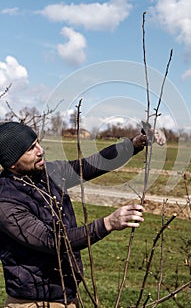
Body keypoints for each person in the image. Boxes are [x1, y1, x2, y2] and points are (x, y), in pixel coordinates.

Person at [0, 121, 148, 307]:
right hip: (33, 301)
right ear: (12, 163)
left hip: (67, 295)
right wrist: (108, 223)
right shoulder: (5, 202)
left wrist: (133, 144)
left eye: (37, 143)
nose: (41, 150)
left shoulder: (50, 173)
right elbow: (52, 240)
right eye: (31, 149)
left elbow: (93, 164)